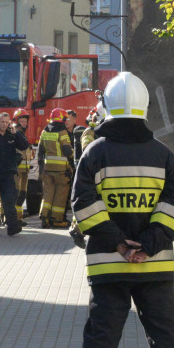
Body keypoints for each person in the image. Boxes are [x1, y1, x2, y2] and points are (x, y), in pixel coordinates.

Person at [66, 72, 174, 348]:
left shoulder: (95, 153)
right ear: (145, 108)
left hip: (109, 267)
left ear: (106, 107)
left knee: (102, 340)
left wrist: (118, 243)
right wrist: (149, 244)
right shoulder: (163, 155)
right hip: (155, 267)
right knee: (165, 338)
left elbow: (83, 203)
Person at [68, 105, 104, 249]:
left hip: (96, 172)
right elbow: (87, 150)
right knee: (90, 201)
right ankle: (77, 230)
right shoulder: (89, 132)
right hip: (91, 172)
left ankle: (78, 229)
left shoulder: (98, 132)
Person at [37, 108, 73, 228]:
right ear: (62, 119)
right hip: (61, 170)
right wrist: (73, 155)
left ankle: (44, 215)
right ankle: (56, 220)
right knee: (60, 194)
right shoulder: (62, 131)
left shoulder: (45, 131)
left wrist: (41, 167)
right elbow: (67, 150)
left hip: (47, 169)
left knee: (48, 193)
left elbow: (40, 150)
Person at [12, 108, 35, 224]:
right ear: (17, 121)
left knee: (21, 195)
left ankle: (18, 219)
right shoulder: (14, 133)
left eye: (26, 121)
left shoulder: (22, 135)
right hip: (16, 170)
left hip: (24, 170)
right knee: (14, 195)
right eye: (22, 121)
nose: (25, 123)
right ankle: (10, 219)